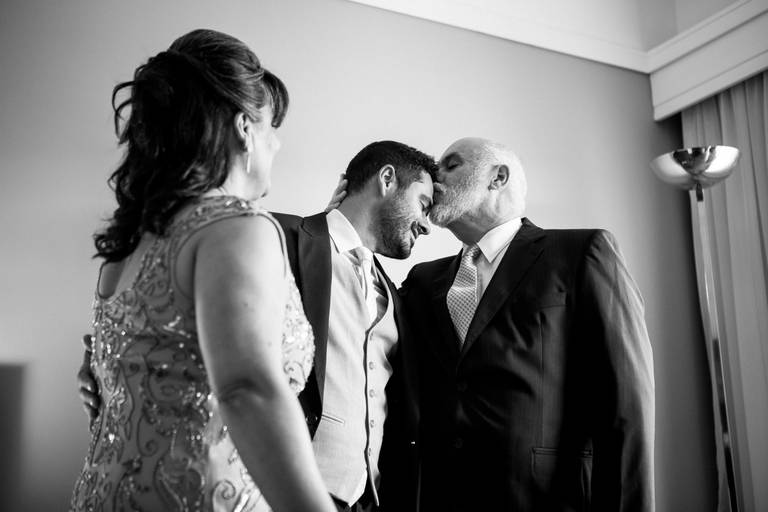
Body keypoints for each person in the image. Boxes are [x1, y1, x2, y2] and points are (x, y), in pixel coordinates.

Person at [79, 140, 438, 512]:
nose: (428, 226)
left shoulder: (395, 294)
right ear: (387, 179)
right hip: (277, 490)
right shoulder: (271, 235)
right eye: (424, 204)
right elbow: (162, 306)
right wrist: (103, 360)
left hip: (366, 497)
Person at [70, 29, 334, 512]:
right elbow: (248, 390)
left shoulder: (130, 243)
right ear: (244, 128)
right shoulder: (238, 227)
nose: (277, 144)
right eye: (273, 126)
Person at [401, 137, 655, 511]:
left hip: (549, 499)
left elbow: (626, 405)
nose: (434, 178)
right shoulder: (422, 282)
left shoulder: (581, 254)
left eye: (450, 166)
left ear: (498, 177)